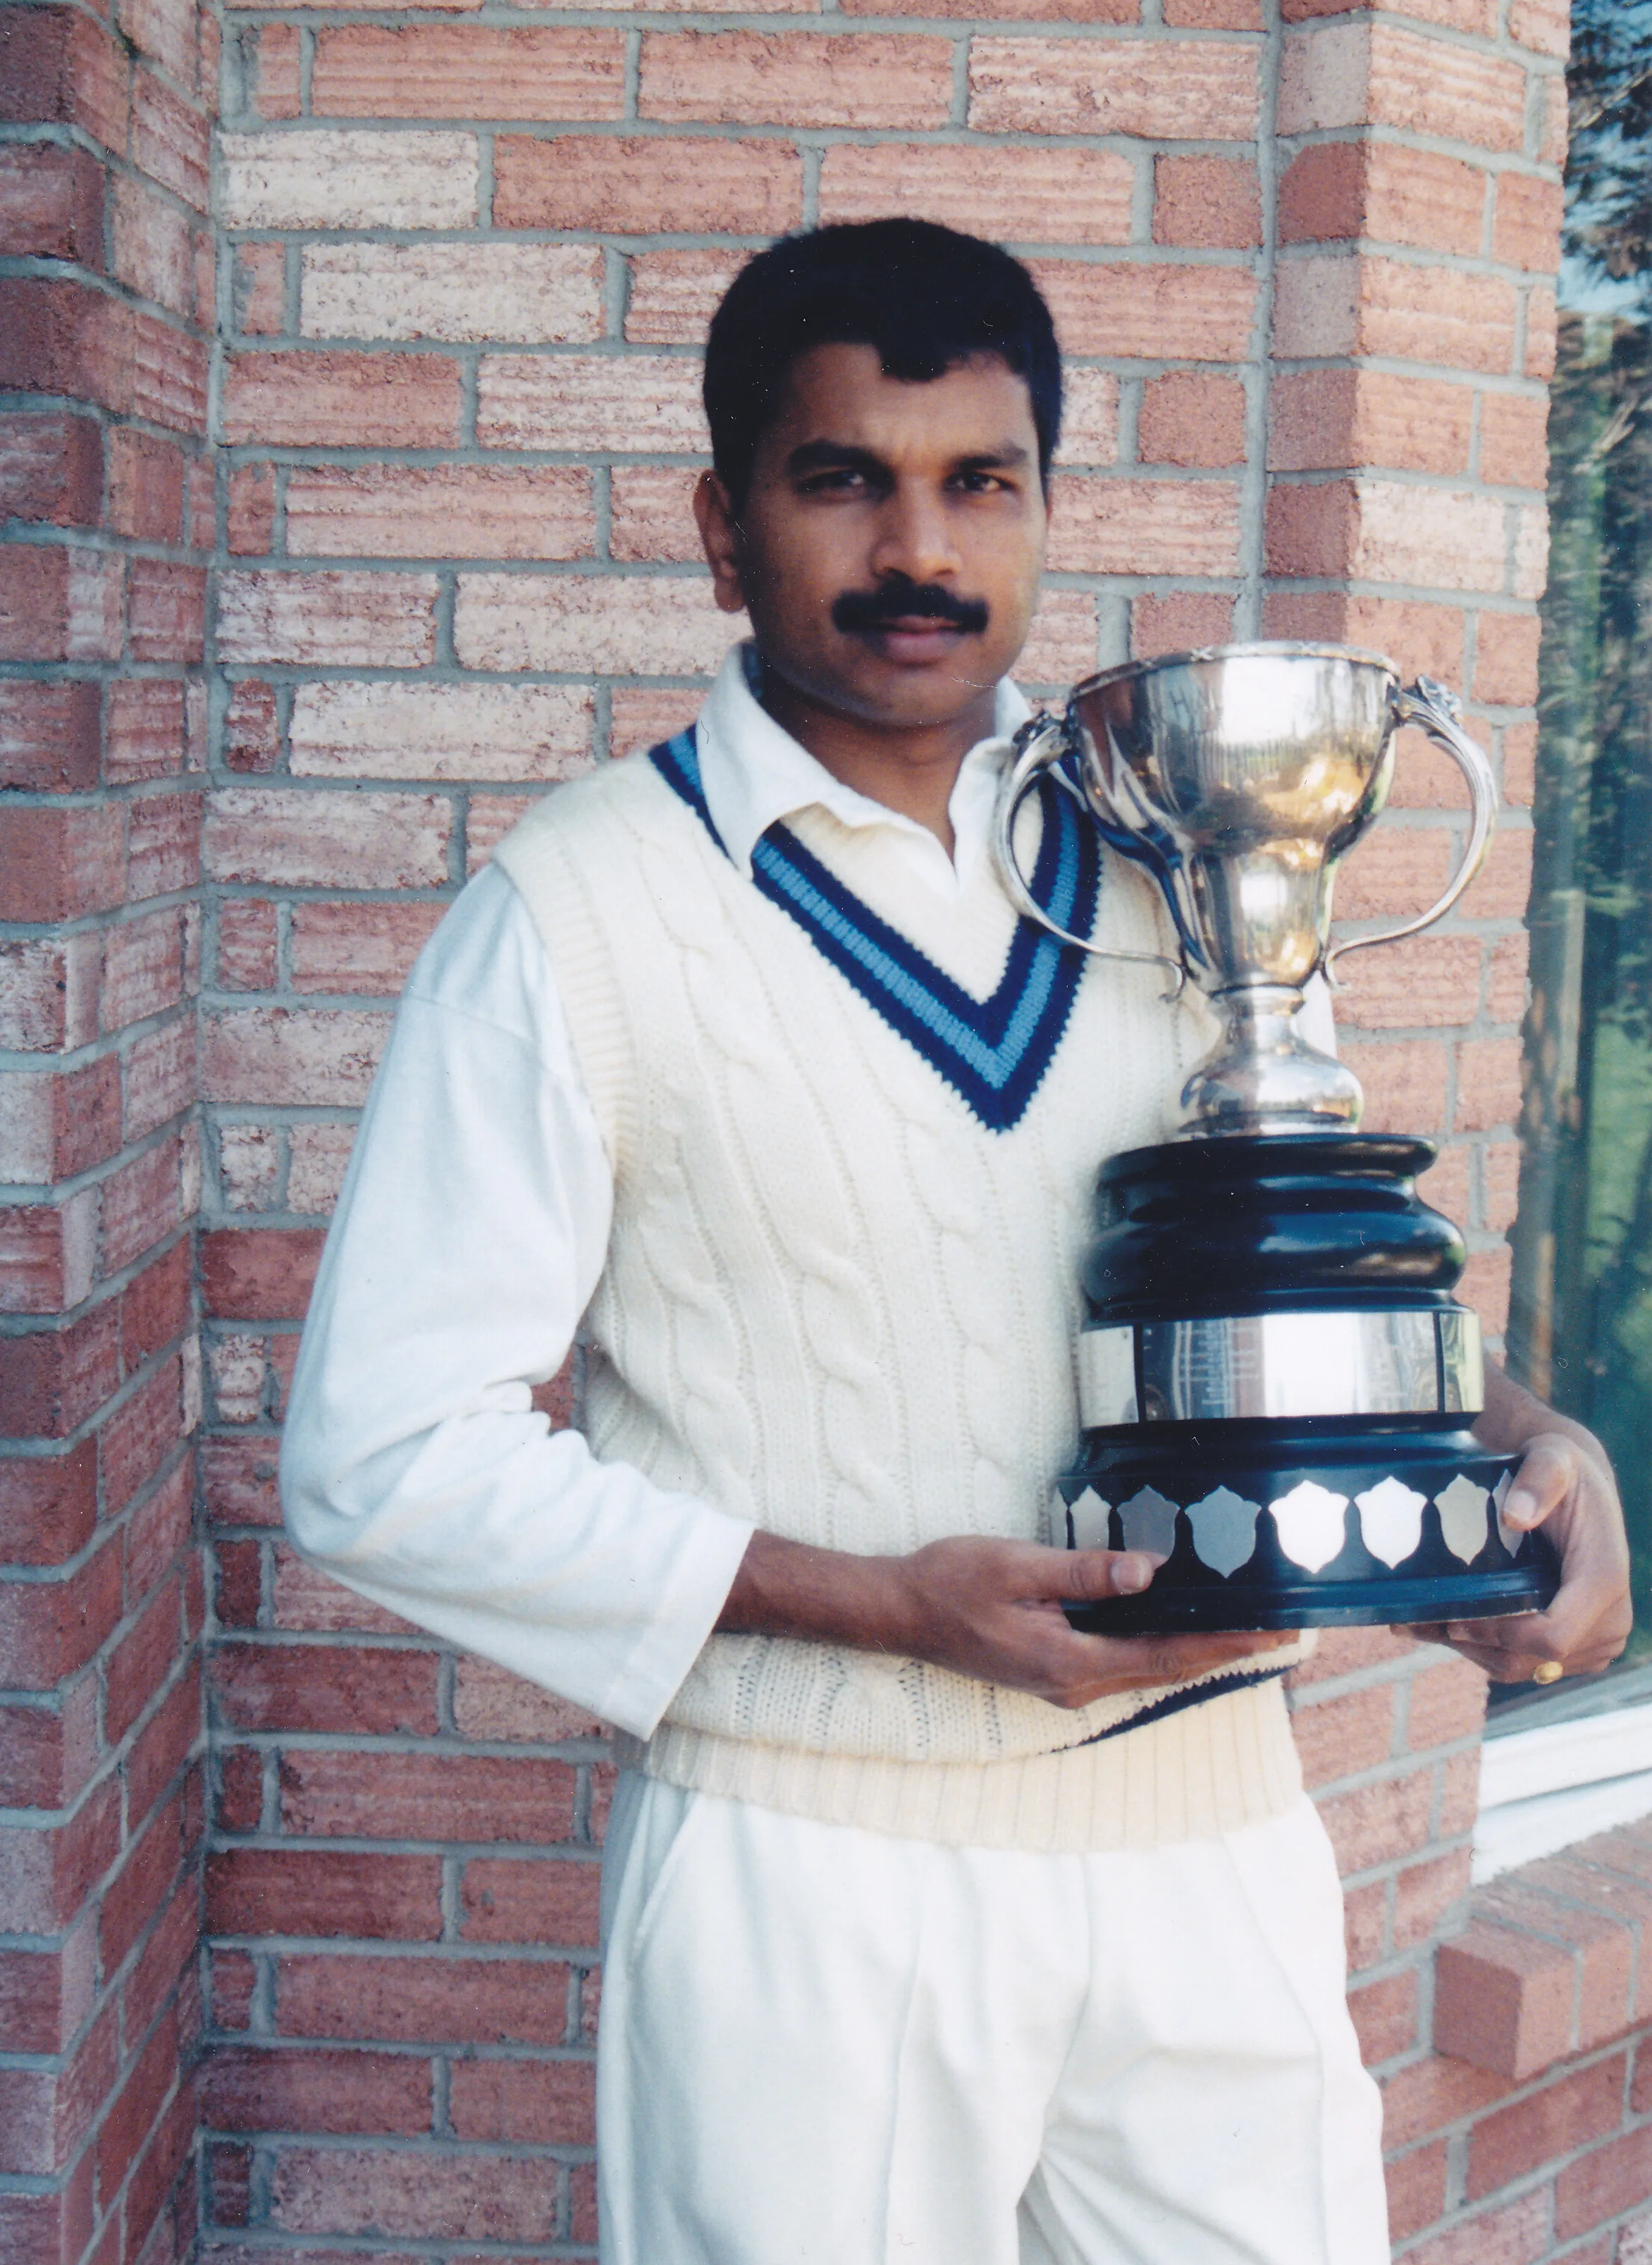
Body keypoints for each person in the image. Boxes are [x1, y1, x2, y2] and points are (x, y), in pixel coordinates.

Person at [281, 218, 1632, 2265]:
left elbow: (1307, 1294)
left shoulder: (1185, 859)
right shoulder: (577, 910)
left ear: (1043, 509)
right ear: (724, 530)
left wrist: (1523, 1448)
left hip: (1208, 1840)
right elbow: (382, 1459)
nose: (920, 549)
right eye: (845, 479)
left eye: (979, 482)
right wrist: (887, 1608)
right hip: (810, 1867)